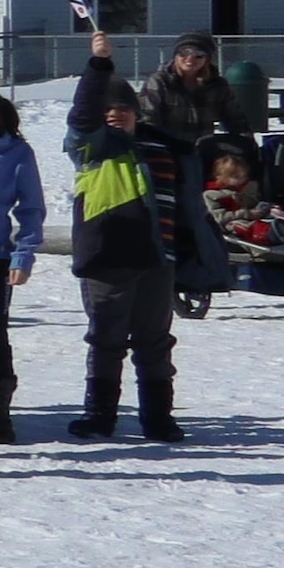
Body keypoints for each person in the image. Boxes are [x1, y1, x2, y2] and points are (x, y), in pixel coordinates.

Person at [62, 31, 184, 441]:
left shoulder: (160, 150)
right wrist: (98, 67)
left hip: (156, 260)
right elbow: (81, 119)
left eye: (122, 109)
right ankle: (100, 414)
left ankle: (158, 415)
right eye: (106, 109)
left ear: (136, 113)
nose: (114, 115)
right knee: (106, 340)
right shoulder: (91, 149)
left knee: (155, 341)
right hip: (108, 262)